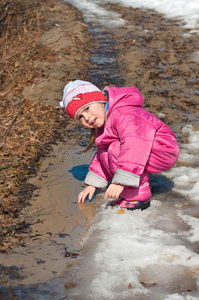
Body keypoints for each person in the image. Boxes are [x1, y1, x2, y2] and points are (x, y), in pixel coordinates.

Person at [60, 80, 179, 210]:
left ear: (101, 100)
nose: (87, 117)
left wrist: (120, 182)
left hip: (162, 149)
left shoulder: (123, 115)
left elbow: (135, 145)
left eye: (87, 108)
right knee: (108, 150)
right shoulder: (106, 121)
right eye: (81, 117)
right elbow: (103, 156)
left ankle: (137, 196)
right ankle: (139, 182)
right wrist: (92, 184)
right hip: (148, 149)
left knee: (115, 148)